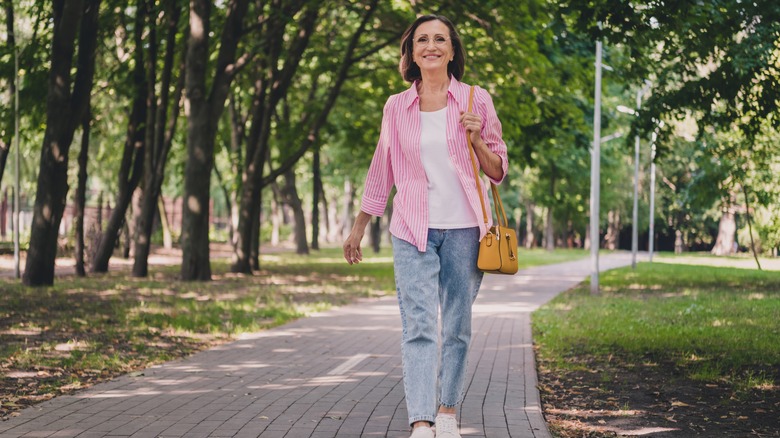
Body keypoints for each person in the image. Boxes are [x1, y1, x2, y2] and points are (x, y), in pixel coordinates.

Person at [342, 14, 507, 438]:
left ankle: (448, 411)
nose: (430, 46)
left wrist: (475, 139)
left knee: (456, 326)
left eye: (440, 39)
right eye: (422, 40)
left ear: (452, 50)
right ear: (411, 53)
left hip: (467, 230)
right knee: (417, 326)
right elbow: (383, 168)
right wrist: (360, 224)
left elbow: (498, 169)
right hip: (412, 229)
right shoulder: (397, 106)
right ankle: (421, 420)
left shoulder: (476, 100)